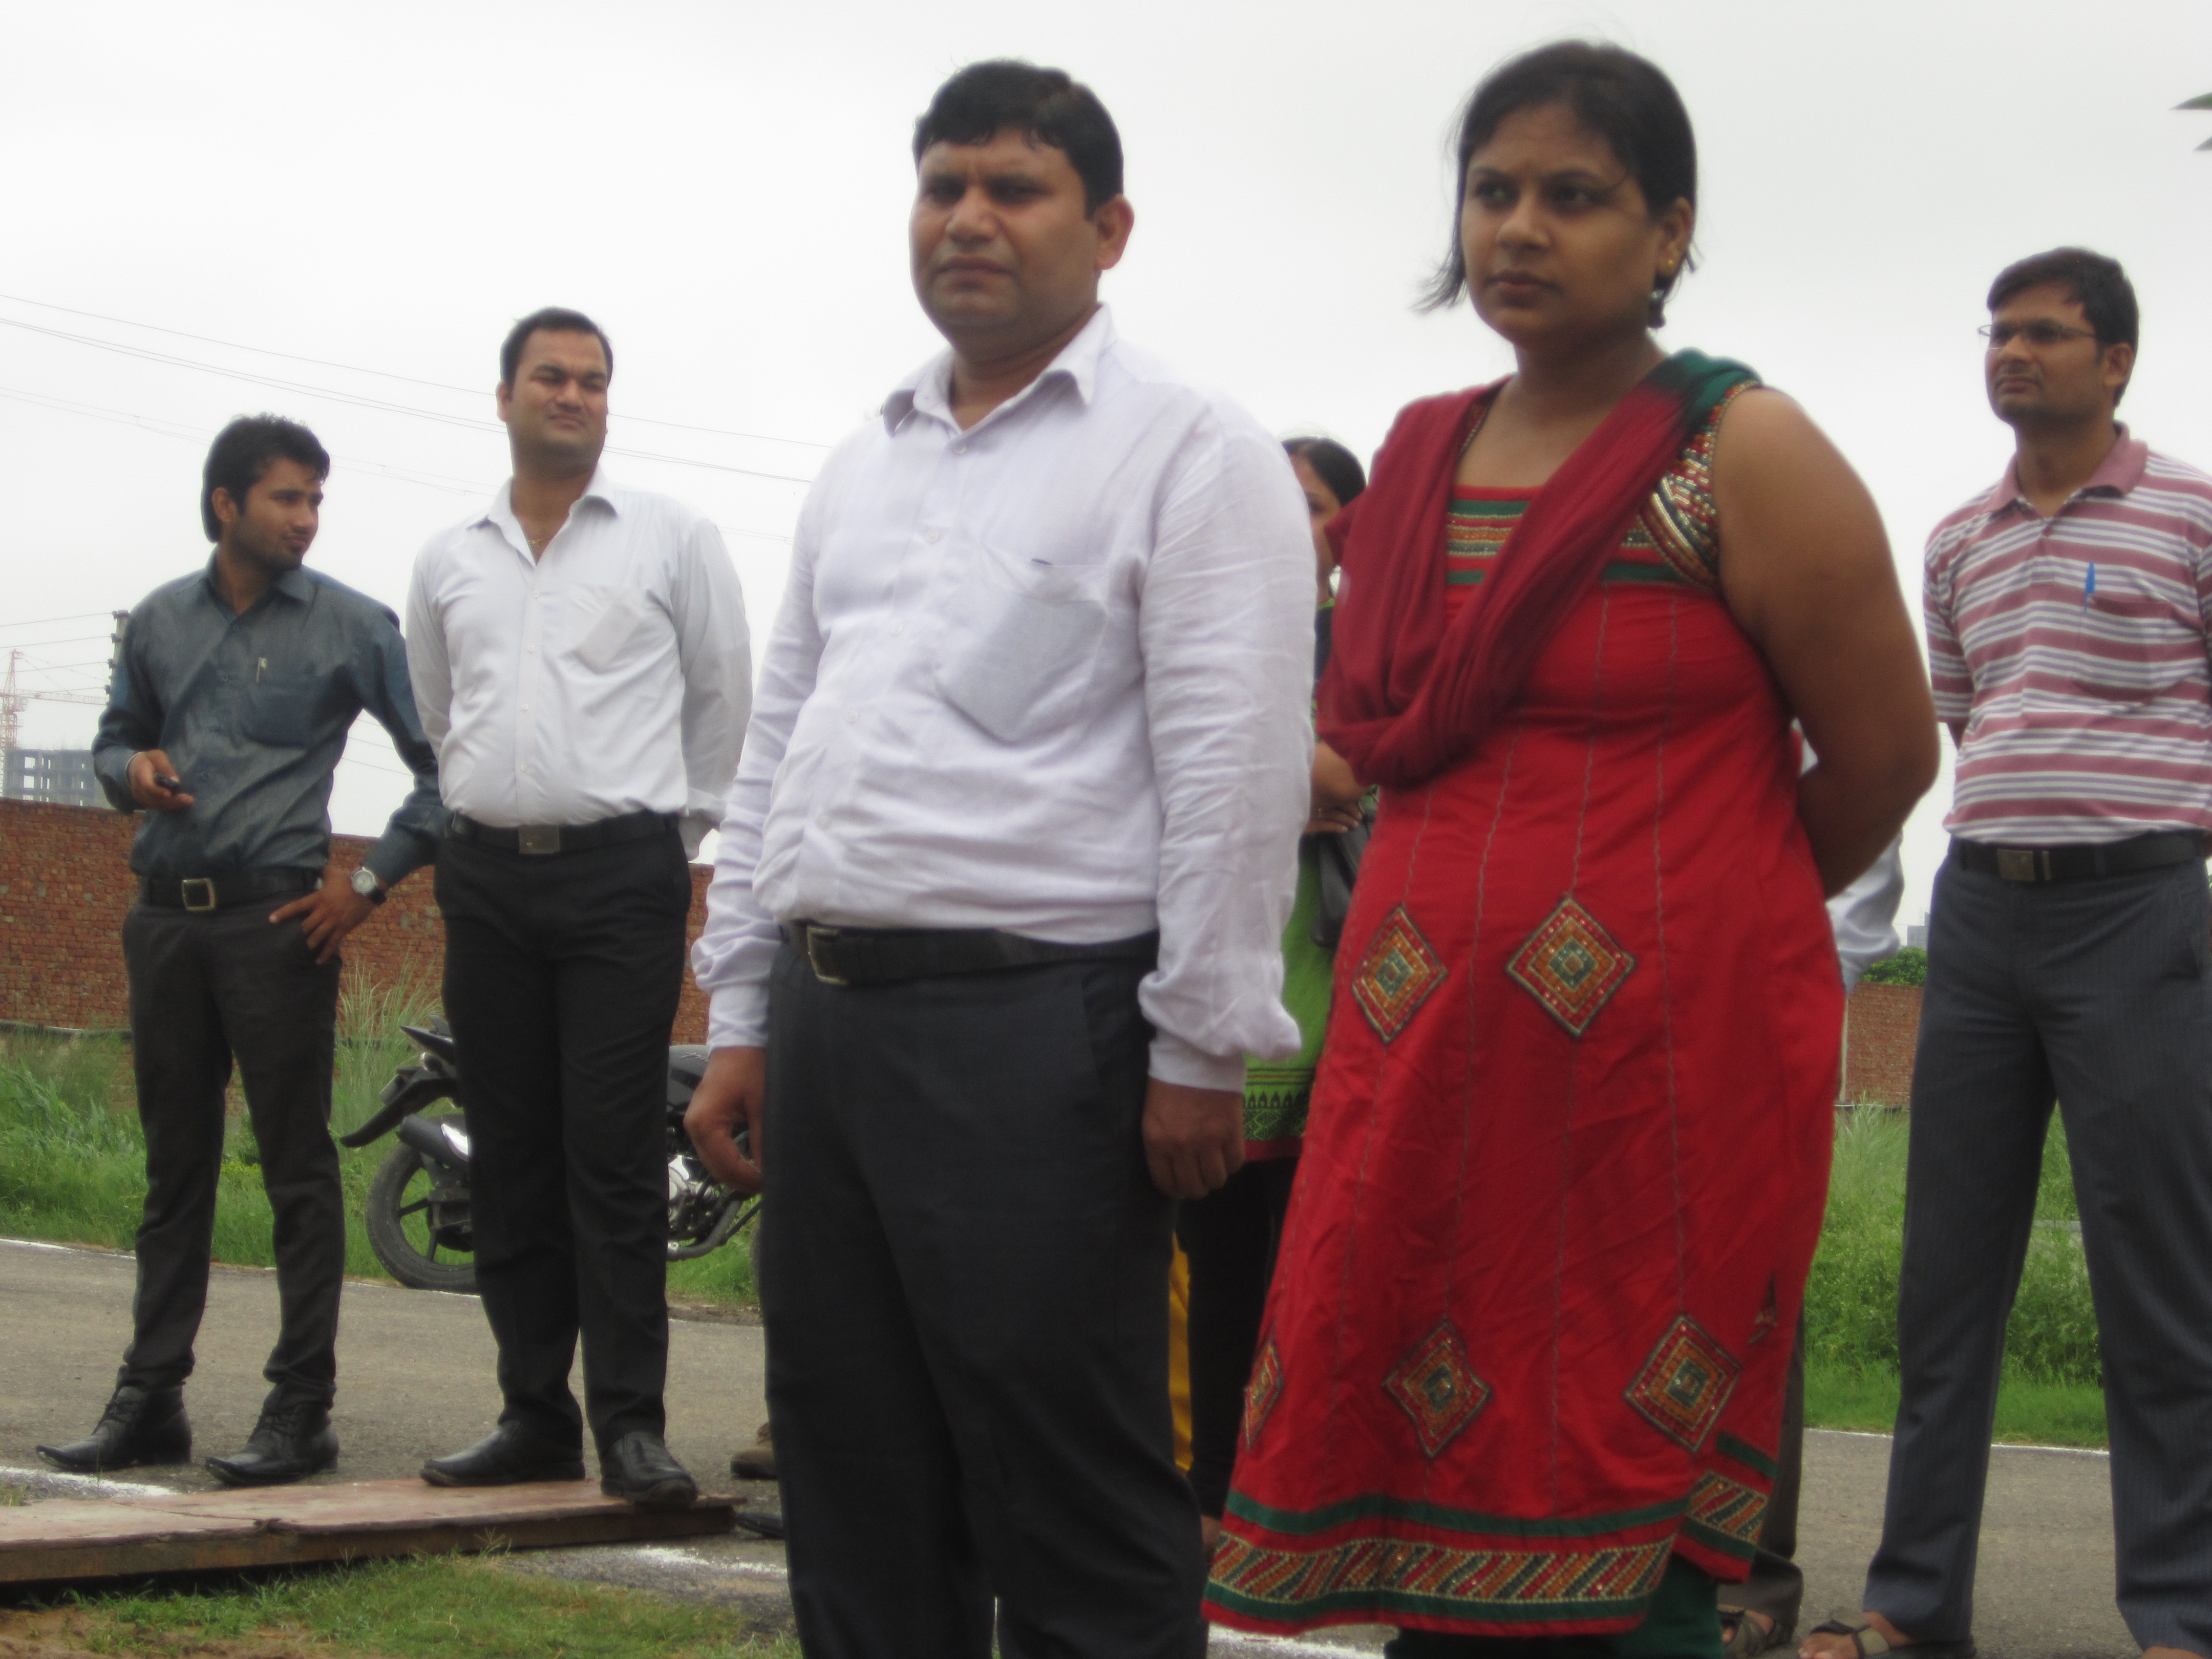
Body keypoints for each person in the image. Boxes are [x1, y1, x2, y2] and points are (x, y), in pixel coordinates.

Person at [1207, 41, 1937, 1655]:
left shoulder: (1742, 450)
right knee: (1426, 1442)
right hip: (1419, 1052)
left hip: (1652, 1081)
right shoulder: (1419, 457)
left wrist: (1700, 917)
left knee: (1615, 1466)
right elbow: (1374, 737)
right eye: (1493, 191)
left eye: (1576, 196)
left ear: (1670, 231)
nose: (1521, 228)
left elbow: (1889, 755)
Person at [684, 59, 1314, 1658]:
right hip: (830, 1023)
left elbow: (1235, 771)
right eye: (942, 186)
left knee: (1068, 1490)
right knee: (851, 1469)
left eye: (1014, 189)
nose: (968, 218)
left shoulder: (1189, 450)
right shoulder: (867, 461)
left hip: (1041, 1032)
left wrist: (1202, 1046)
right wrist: (744, 1012)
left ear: (1109, 230)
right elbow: (779, 748)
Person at [1802, 250, 2212, 1659]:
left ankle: (2181, 1614)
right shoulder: (1956, 541)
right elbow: (1970, 719)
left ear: (2117, 361)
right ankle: (1916, 1603)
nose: (2010, 353)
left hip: (2140, 914)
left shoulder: (2193, 516)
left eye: (2044, 332)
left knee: (2158, 1277)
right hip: (1981, 917)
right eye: (1997, 332)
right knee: (1947, 1275)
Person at [40, 415, 442, 1486]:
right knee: (174, 1168)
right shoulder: (159, 620)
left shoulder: (354, 626)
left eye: (316, 500)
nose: (307, 519)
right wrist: (131, 772)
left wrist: (365, 884)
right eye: (287, 498)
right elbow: (113, 739)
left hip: (277, 925)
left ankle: (301, 1409)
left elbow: (444, 768)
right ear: (227, 504)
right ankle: (150, 1399)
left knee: (296, 1168)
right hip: (164, 919)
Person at [405, 307, 751, 1508]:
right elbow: (441, 712)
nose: (573, 395)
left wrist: (673, 837)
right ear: (504, 396)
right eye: (550, 377)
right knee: (510, 1158)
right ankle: (532, 1417)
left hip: (621, 883)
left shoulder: (672, 538)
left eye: (594, 381)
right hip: (487, 882)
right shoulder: (450, 558)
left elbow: (723, 702)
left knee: (611, 1158)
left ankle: (632, 1429)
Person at [1176, 435, 1367, 1551]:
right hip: (1220, 966)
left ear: (1352, 530)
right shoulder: (1206, 631)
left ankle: (1314, 1491)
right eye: (1274, 501)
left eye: (1315, 505)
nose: (1292, 525)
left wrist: (1273, 785)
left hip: (1342, 976)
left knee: (1326, 1251)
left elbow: (1363, 774)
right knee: (1221, 1250)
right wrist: (1284, 789)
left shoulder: (1377, 646)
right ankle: (1214, 1494)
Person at [1719, 836, 1904, 1658]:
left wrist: (1819, 974)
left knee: (1755, 1275)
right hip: (1621, 963)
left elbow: (1874, 795)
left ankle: (1743, 1570)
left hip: (1767, 979)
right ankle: (1595, 1547)